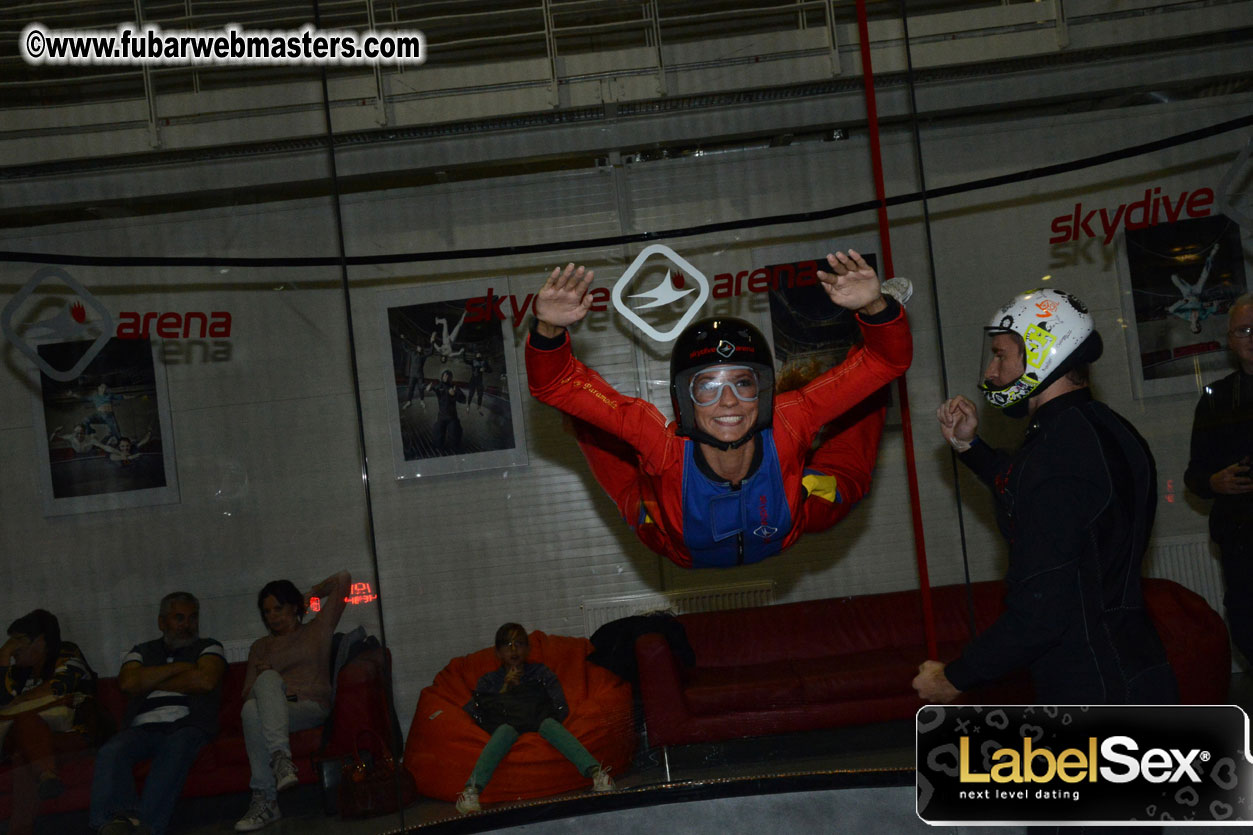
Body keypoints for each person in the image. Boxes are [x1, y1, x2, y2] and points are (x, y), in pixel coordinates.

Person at [525, 253, 912, 569]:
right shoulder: (661, 444)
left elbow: (885, 363)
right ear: (685, 399)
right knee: (590, 422)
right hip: (672, 541)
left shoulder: (790, 418)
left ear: (761, 391)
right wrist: (547, 329)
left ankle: (861, 336)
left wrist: (875, 309)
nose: (728, 401)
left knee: (859, 421)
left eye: (742, 383)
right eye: (707, 387)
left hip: (791, 519)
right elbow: (554, 384)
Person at [914, 287, 1178, 705]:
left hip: (1091, 685)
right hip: (1137, 664)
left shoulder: (1056, 454)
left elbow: (1041, 614)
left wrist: (954, 678)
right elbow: (1035, 493)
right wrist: (971, 447)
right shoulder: (1107, 430)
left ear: (1043, 354)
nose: (991, 371)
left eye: (1001, 355)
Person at [89, 592, 226, 835]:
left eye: (192, 618)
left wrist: (150, 679)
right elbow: (129, 683)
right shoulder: (141, 650)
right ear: (162, 623)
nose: (187, 625)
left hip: (187, 724)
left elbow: (205, 680)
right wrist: (181, 668)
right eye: (179, 618)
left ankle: (146, 828)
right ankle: (114, 823)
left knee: (176, 746)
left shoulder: (209, 646)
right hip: (142, 727)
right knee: (111, 750)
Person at [233, 571, 351, 832]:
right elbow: (246, 693)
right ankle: (274, 780)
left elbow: (343, 580)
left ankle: (269, 791)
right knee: (253, 706)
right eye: (267, 612)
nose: (272, 616)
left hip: (309, 707)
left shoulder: (318, 629)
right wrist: (267, 680)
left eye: (278, 608)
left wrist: (310, 594)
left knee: (261, 695)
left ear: (294, 606)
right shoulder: (260, 647)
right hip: (275, 706)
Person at [455, 624, 613, 814]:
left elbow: (560, 706)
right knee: (505, 730)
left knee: (550, 724)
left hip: (540, 722)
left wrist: (525, 690)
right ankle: (471, 791)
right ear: (497, 652)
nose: (513, 650)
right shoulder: (489, 680)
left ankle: (597, 773)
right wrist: (505, 688)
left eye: (519, 644)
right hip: (506, 727)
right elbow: (477, 713)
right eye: (507, 645)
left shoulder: (540, 672)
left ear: (528, 649)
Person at [1184, 293, 1253, 664]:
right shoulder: (1215, 398)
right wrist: (1214, 482)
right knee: (1246, 629)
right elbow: (1193, 475)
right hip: (1242, 540)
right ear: (1230, 341)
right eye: (1244, 330)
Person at [0, 610, 101, 835]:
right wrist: (4, 656)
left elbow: (60, 686)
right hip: (23, 739)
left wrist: (18, 704)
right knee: (24, 726)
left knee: (23, 753)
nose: (13, 648)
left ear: (41, 641)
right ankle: (47, 776)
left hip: (70, 736)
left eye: (18, 642)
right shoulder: (18, 673)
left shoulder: (66, 652)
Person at [429, 369, 466, 452]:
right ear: (442, 377)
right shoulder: (439, 386)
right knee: (437, 441)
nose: (446, 377)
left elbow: (463, 400)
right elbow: (430, 387)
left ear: (451, 378)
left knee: (455, 441)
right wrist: (427, 388)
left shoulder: (454, 387)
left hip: (452, 418)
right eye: (445, 375)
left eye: (448, 376)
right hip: (441, 417)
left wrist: (455, 394)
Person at [400, 341, 432, 410]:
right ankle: (409, 401)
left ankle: (422, 401)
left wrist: (432, 342)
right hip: (412, 375)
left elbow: (430, 352)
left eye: (421, 347)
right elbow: (405, 348)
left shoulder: (423, 356)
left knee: (421, 388)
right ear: (417, 348)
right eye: (418, 347)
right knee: (410, 388)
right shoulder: (412, 353)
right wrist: (403, 339)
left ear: (422, 349)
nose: (420, 348)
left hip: (420, 375)